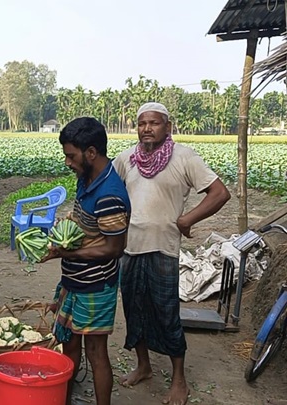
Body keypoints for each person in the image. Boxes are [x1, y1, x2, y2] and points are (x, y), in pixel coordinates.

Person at [112, 102, 231, 405]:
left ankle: (179, 380)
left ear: (168, 127)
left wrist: (187, 219)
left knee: (167, 313)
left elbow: (220, 193)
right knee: (133, 309)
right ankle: (144, 366)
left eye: (153, 123)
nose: (146, 129)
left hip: (163, 249)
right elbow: (107, 189)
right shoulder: (126, 159)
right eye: (141, 123)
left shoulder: (184, 157)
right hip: (129, 248)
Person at [41, 116, 131, 405]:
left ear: (91, 152)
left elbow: (113, 249)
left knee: (96, 352)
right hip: (74, 281)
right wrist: (61, 232)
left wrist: (65, 253)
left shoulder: (110, 195)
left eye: (71, 155)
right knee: (69, 344)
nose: (67, 161)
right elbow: (81, 219)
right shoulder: (87, 177)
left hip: (95, 288)